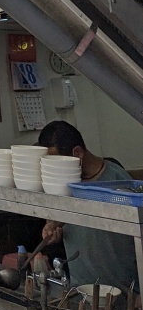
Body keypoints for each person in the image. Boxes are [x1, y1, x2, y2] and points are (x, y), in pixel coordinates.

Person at [39, 120, 137, 291]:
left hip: (122, 291)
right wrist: (52, 226)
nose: (53, 171)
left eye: (57, 164)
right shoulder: (61, 185)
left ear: (77, 153)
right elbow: (55, 219)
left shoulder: (116, 182)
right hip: (81, 290)